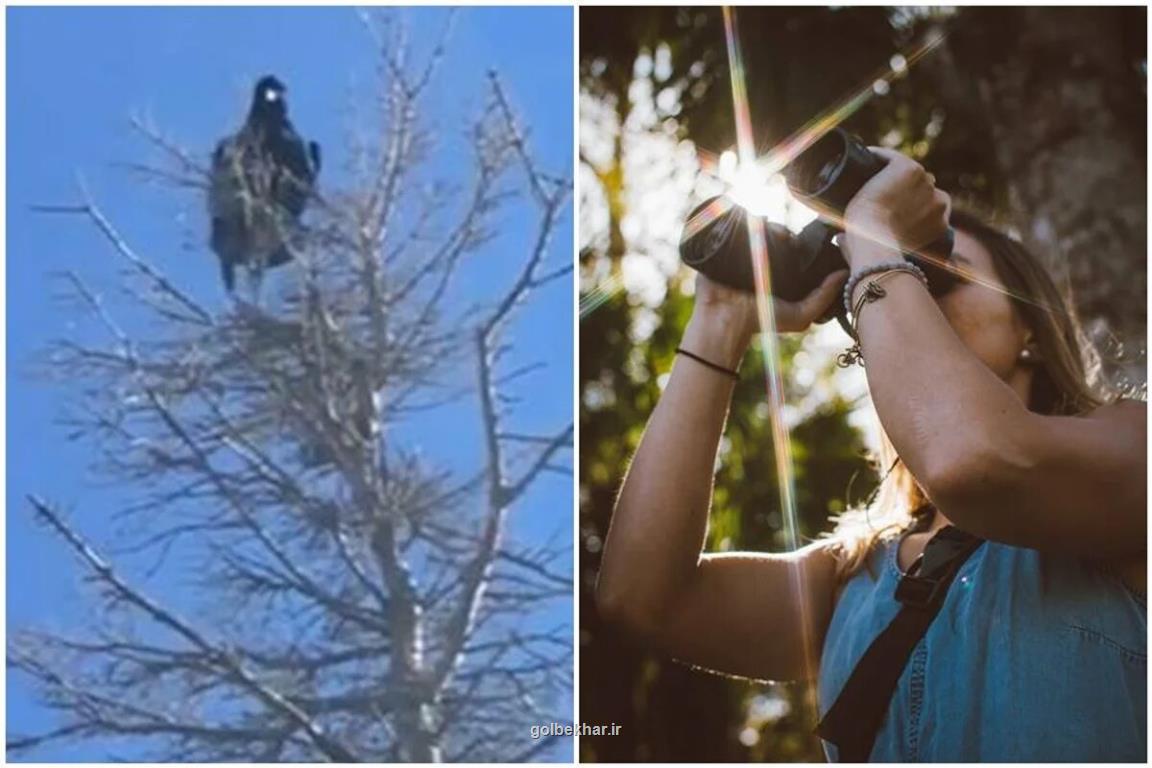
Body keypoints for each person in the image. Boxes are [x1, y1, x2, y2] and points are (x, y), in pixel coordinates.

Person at [595, 147, 1147, 761]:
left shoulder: (1131, 450)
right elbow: (641, 598)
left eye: (939, 273)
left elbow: (977, 462)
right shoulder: (851, 577)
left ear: (1031, 334)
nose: (913, 294)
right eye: (899, 275)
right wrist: (721, 321)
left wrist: (878, 243)